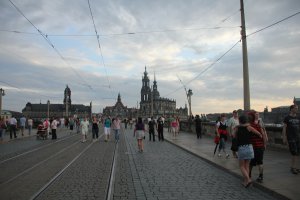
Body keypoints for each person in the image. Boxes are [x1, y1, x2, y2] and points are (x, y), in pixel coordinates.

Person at [235, 115, 262, 188]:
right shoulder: (249, 127)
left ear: (240, 121)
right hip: (250, 148)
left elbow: (234, 136)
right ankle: (246, 182)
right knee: (247, 165)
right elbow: (259, 134)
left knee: (241, 166)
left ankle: (248, 180)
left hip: (242, 148)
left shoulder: (237, 128)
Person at [248, 111, 268, 183]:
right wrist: (264, 145)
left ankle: (249, 175)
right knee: (260, 162)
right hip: (260, 147)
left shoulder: (249, 126)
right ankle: (261, 176)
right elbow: (263, 135)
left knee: (251, 163)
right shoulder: (259, 125)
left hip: (253, 147)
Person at [282, 105, 300, 174]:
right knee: (294, 153)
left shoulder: (298, 117)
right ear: (291, 109)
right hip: (291, 138)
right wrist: (284, 137)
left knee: (298, 153)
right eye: (295, 108)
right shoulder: (287, 118)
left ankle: (297, 168)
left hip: (298, 137)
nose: (297, 109)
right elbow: (284, 128)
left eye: (297, 108)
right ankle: (293, 168)